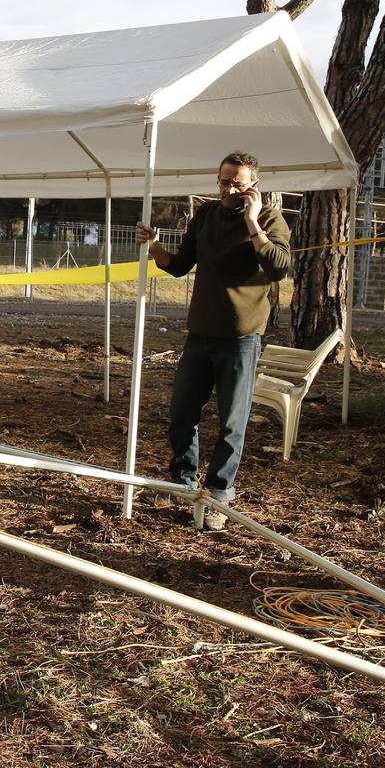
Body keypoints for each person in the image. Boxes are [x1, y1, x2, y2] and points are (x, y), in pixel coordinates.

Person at [135, 151, 289, 530]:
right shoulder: (205, 215)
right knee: (182, 413)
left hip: (241, 338)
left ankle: (219, 494)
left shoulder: (270, 218)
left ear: (254, 185)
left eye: (236, 183)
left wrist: (253, 222)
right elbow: (180, 265)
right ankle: (183, 482)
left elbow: (278, 267)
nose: (227, 189)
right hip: (200, 333)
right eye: (223, 181)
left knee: (231, 423)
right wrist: (154, 245)